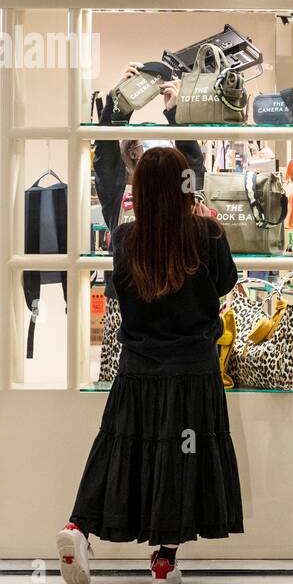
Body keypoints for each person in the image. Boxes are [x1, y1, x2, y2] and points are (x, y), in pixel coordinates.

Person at [57, 146, 243, 584]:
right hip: (192, 371)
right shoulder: (208, 235)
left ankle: (79, 527)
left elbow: (121, 294)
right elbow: (225, 283)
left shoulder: (124, 240)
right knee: (180, 458)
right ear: (186, 186)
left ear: (138, 192)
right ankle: (163, 562)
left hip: (137, 369)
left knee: (119, 449)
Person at [93, 62, 205, 382]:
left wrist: (176, 116)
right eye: (144, 150)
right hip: (129, 318)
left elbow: (194, 173)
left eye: (162, 150)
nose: (153, 158)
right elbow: (104, 158)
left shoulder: (181, 195)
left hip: (174, 314)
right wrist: (119, 105)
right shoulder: (119, 193)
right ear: (131, 156)